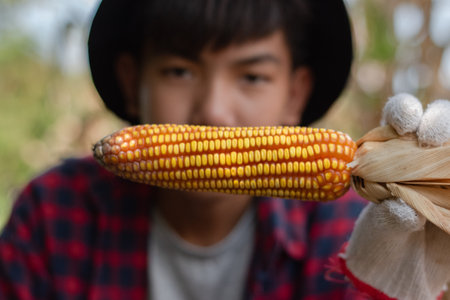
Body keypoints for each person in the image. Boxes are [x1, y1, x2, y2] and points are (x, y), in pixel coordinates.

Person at [0, 0, 402, 299]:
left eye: (252, 76)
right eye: (179, 71)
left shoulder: (351, 232)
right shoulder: (52, 214)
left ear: (295, 94)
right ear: (131, 83)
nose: (212, 110)